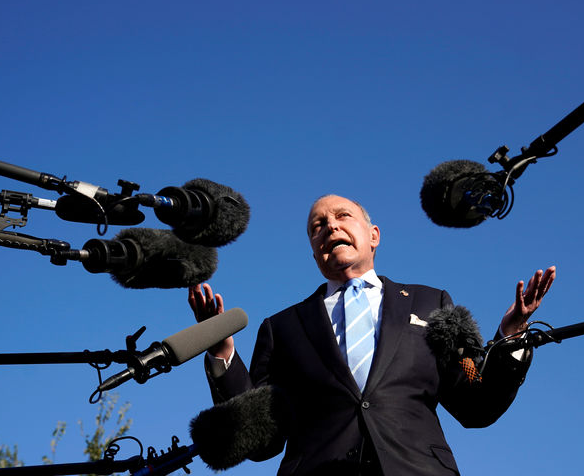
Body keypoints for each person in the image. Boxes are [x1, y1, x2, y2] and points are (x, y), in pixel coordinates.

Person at [188, 194, 555, 475]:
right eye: (317, 226)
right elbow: (261, 440)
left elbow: (475, 404)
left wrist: (511, 334)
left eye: (342, 216)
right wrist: (221, 350)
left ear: (373, 235)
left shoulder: (431, 302)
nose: (330, 227)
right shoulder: (282, 327)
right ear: (314, 253)